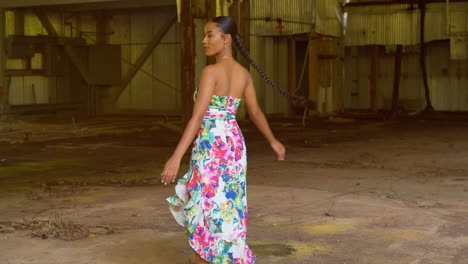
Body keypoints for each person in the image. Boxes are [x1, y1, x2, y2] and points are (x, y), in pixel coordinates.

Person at [161, 16, 286, 264]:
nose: (203, 41)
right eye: (204, 35)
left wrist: (176, 157)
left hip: (212, 144)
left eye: (209, 35)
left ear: (226, 39)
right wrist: (273, 141)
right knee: (227, 207)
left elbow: (197, 118)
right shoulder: (243, 75)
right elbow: (256, 113)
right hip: (233, 144)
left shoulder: (211, 72)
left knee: (205, 208)